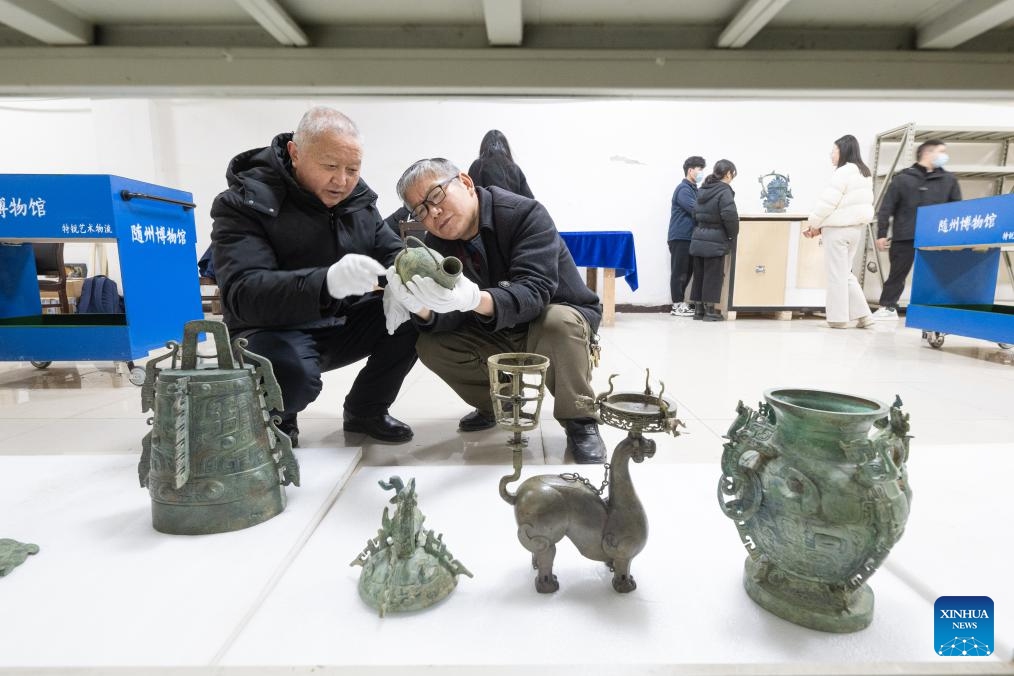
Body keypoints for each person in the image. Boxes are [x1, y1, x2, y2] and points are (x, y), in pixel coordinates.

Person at [210, 106, 418, 448]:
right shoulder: (244, 203)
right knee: (290, 374)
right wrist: (326, 283)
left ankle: (366, 409)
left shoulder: (358, 202)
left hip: (340, 320)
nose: (342, 180)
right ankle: (277, 420)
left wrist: (420, 275)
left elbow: (392, 251)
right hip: (272, 328)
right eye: (330, 166)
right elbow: (243, 294)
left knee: (416, 317)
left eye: (353, 169)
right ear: (295, 152)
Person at [384, 158, 606, 464]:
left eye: (435, 196)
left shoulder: (525, 213)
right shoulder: (437, 242)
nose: (433, 213)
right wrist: (422, 307)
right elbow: (452, 312)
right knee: (431, 344)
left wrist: (475, 298)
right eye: (420, 210)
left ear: (464, 182)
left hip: (550, 322)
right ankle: (495, 405)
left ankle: (581, 421)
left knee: (557, 321)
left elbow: (535, 292)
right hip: (496, 327)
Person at [873, 139, 961, 320]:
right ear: (927, 153)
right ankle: (888, 307)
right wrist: (882, 233)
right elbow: (886, 208)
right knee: (897, 273)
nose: (944, 156)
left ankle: (937, 308)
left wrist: (955, 237)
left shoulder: (949, 180)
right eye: (941, 151)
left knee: (938, 275)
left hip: (936, 238)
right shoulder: (903, 178)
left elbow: (956, 210)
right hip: (905, 236)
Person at [803, 135, 876, 329]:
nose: (831, 154)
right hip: (855, 230)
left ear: (843, 151)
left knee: (837, 275)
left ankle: (837, 320)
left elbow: (828, 203)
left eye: (833, 150)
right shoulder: (864, 172)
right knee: (845, 273)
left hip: (837, 232)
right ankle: (865, 316)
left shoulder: (843, 172)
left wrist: (814, 223)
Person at [689, 160, 739, 322]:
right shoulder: (724, 191)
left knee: (700, 274)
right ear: (728, 173)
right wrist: (732, 235)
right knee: (713, 275)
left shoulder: (703, 189)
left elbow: (694, 214)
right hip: (716, 238)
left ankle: (698, 310)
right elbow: (730, 216)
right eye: (733, 174)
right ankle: (710, 311)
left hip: (698, 236)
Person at [667, 156, 706, 317]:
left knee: (687, 271)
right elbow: (695, 210)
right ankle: (676, 305)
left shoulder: (693, 189)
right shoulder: (683, 189)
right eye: (699, 170)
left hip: (689, 237)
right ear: (690, 170)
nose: (701, 173)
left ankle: (681, 303)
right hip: (680, 237)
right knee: (679, 271)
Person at [467, 130, 534, 198]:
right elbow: (529, 199)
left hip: (487, 208)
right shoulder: (515, 168)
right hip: (513, 208)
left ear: (484, 146)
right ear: (506, 147)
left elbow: (472, 196)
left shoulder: (478, 166)